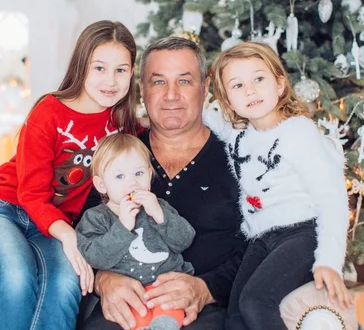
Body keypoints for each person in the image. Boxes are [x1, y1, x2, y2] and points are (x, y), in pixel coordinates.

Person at [0, 20, 139, 330]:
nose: (110, 80)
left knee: (65, 286)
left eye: (121, 70)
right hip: (6, 209)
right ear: (81, 67)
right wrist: (71, 237)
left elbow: (163, 132)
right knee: (17, 277)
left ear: (132, 73)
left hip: (52, 226)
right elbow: (31, 195)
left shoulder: (122, 124)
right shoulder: (49, 112)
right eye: (99, 68)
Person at [79, 37, 246, 330]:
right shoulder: (117, 158)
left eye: (184, 81)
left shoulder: (238, 160)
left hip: (206, 309)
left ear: (205, 87)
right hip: (126, 306)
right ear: (142, 89)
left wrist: (206, 289)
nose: (171, 95)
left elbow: (257, 246)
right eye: (158, 82)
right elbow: (84, 231)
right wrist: (103, 280)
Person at [204, 42, 354, 330]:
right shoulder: (239, 135)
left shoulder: (299, 133)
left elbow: (331, 198)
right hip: (262, 239)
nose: (250, 90)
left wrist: (329, 261)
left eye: (259, 79)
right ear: (227, 100)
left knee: (256, 301)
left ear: (281, 85)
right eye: (237, 85)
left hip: (302, 233)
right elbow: (206, 118)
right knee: (234, 315)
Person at [76, 133, 196, 330]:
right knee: (133, 317)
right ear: (101, 184)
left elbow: (184, 240)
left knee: (170, 310)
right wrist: (122, 227)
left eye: (139, 174)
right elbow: (95, 258)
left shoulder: (159, 207)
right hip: (129, 295)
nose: (132, 183)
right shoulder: (96, 218)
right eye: (120, 176)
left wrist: (159, 215)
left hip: (166, 288)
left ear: (149, 174)